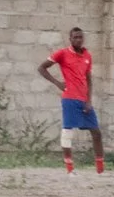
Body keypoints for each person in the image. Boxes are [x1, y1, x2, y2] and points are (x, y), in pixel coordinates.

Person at [40, 27, 104, 174]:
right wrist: (57, 83)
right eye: (75, 37)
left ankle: (100, 167)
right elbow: (42, 68)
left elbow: (88, 79)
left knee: (96, 132)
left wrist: (89, 100)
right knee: (68, 131)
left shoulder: (87, 55)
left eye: (80, 37)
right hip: (69, 98)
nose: (78, 40)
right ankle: (69, 167)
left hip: (83, 99)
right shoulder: (62, 54)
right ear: (70, 39)